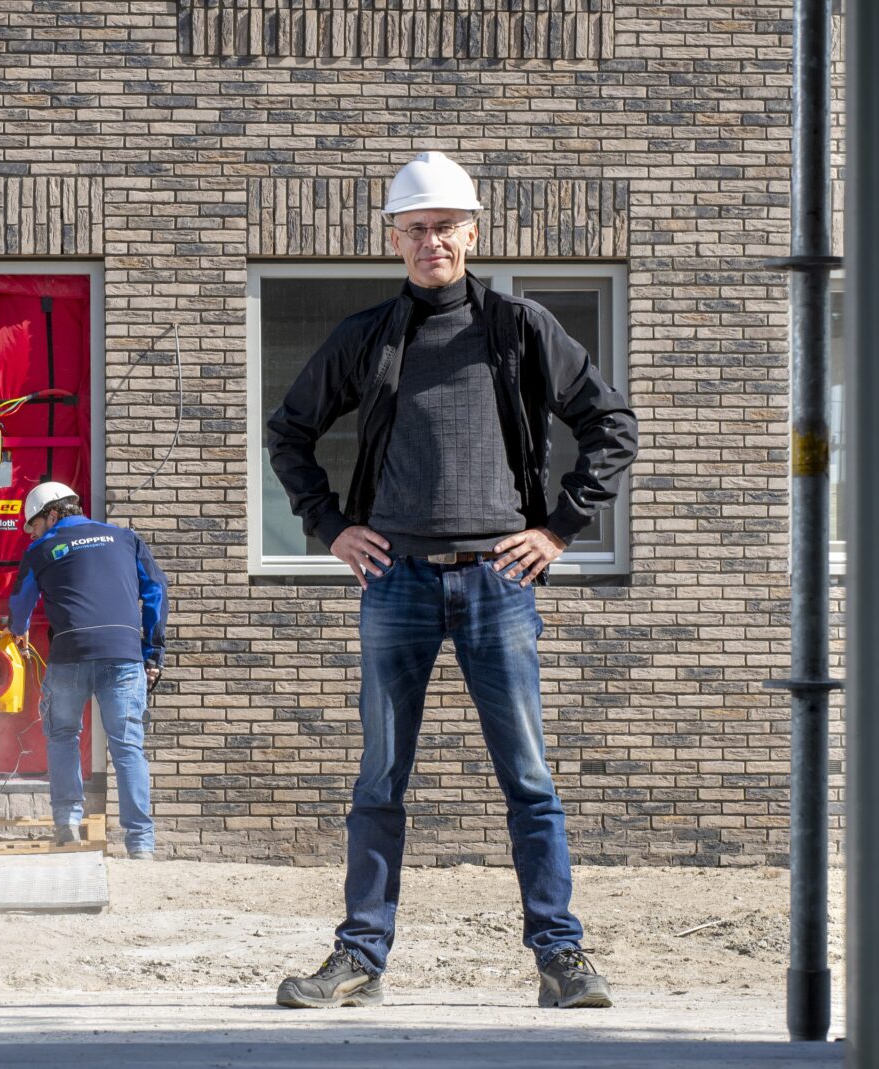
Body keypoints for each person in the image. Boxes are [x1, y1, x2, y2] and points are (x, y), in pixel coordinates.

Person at [264, 151, 638, 1011]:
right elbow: (289, 432)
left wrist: (557, 529)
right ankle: (359, 958)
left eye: (445, 226)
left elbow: (610, 424)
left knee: (529, 779)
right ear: (394, 238)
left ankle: (561, 957)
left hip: (497, 584)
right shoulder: (368, 337)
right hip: (394, 580)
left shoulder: (520, 328)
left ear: (473, 231)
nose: (432, 240)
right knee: (379, 779)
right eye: (415, 228)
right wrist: (329, 527)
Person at [6, 481, 167, 859]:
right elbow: (157, 589)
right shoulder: (126, 539)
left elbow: (19, 603)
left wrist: (19, 630)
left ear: (52, 514)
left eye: (33, 524)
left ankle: (67, 826)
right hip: (124, 655)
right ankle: (140, 844)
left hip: (69, 655)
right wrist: (153, 652)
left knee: (63, 736)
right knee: (128, 748)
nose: (31, 533)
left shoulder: (41, 549)